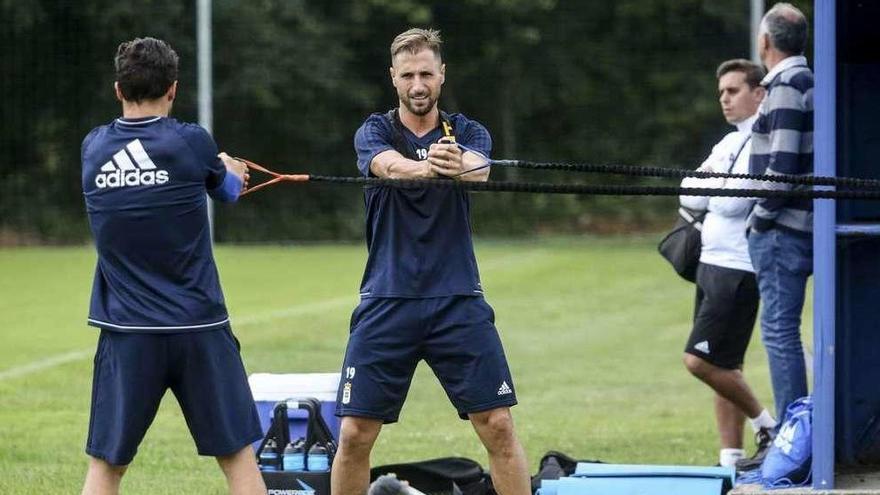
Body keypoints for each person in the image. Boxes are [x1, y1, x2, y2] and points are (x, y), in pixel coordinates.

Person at [331, 28, 530, 495]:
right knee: (355, 433)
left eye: (426, 73)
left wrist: (458, 163)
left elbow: (480, 170)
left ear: (441, 75)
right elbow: (387, 165)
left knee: (497, 424)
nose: (417, 84)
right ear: (393, 79)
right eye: (407, 75)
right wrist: (427, 167)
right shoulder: (375, 131)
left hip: (457, 299)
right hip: (387, 299)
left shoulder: (468, 132)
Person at [79, 38, 266, 495]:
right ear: (174, 89)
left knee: (106, 467)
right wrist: (229, 168)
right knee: (238, 458)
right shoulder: (191, 140)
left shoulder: (93, 147)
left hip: (127, 332)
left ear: (118, 89)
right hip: (200, 328)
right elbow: (229, 191)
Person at [679, 59, 777, 469]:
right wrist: (716, 183)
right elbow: (688, 194)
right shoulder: (728, 142)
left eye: (733, 90)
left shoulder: (762, 141)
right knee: (724, 364)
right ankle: (731, 462)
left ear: (759, 94)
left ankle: (768, 425)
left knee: (700, 361)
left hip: (738, 267)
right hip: (711, 262)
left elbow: (732, 203)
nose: (725, 99)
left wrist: (714, 184)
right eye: (721, 92)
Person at [747, 2, 814, 434]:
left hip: (783, 231)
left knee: (779, 333)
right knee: (782, 331)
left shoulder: (788, 83)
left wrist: (759, 218)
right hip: (793, 227)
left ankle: (793, 437)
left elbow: (782, 165)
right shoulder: (804, 79)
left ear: (765, 41)